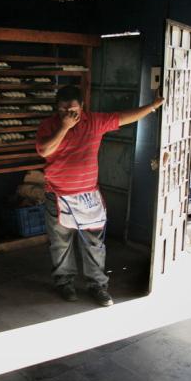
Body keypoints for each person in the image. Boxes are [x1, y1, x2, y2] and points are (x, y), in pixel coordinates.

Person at [36, 85, 164, 306]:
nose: (68, 113)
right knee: (60, 243)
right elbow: (45, 150)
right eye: (63, 110)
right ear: (57, 108)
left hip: (88, 197)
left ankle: (97, 285)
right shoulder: (49, 125)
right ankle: (64, 283)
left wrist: (152, 106)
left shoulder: (94, 122)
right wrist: (65, 127)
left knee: (94, 244)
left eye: (72, 110)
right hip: (57, 196)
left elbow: (123, 117)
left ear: (82, 107)